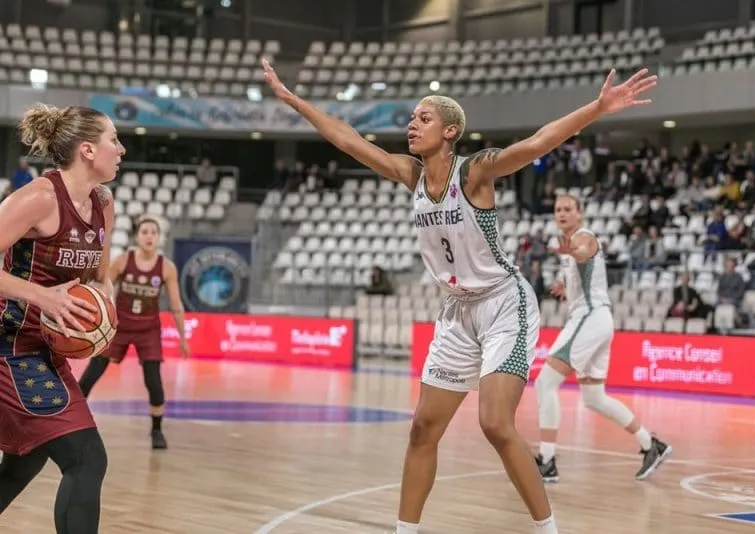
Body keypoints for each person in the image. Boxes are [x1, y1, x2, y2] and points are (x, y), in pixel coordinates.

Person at [261, 58, 657, 534]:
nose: (412, 123)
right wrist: (294, 101)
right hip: (456, 312)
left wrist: (596, 107)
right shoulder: (410, 175)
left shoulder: (474, 173)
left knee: (495, 423)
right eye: (411, 117)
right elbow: (348, 140)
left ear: (450, 131)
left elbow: (535, 144)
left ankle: (547, 529)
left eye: (423, 118)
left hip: (503, 304)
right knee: (423, 428)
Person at [0, 103, 124, 533]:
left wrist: (101, 314)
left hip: (45, 351)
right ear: (87, 150)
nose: (121, 149)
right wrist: (41, 297)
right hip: (10, 346)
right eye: (113, 140)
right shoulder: (38, 197)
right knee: (86, 458)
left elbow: (98, 278)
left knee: (24, 462)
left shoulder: (103, 204)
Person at [533, 194, 671, 483]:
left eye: (568, 209)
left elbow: (584, 251)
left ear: (580, 213)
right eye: (558, 209)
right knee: (594, 398)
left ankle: (547, 460)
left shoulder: (584, 237)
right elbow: (580, 268)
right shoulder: (572, 249)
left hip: (590, 318)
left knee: (546, 382)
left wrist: (572, 251)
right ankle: (651, 444)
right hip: (599, 320)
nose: (562, 213)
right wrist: (564, 286)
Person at [78, 215, 189, 449]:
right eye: (145, 231)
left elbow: (177, 305)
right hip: (120, 325)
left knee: (154, 382)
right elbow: (103, 287)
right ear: (137, 236)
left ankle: (157, 430)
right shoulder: (122, 261)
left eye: (153, 232)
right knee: (92, 373)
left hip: (148, 329)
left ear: (159, 238)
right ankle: (70, 421)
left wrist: (183, 337)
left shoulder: (166, 268)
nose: (149, 236)